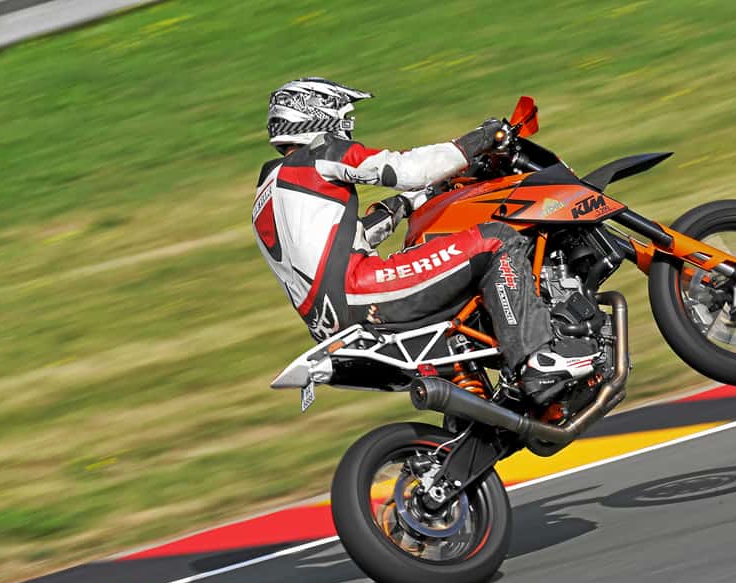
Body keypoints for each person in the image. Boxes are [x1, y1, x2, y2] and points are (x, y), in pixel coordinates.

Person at [252, 77, 598, 402]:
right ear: (315, 113)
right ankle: (537, 359)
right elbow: (406, 169)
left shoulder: (269, 192)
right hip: (360, 288)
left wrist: (405, 204)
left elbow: (343, 240)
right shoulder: (320, 154)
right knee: (496, 241)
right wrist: (480, 139)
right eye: (343, 116)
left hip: (331, 320)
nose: (347, 126)